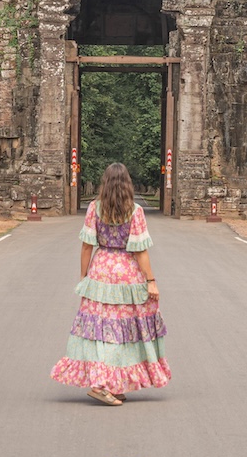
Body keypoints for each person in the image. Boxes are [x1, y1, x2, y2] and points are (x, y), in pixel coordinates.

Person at [50, 162, 170, 405]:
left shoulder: (94, 209)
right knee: (123, 329)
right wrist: (151, 281)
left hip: (101, 270)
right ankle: (102, 383)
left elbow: (86, 246)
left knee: (99, 328)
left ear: (104, 184)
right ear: (127, 185)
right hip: (127, 274)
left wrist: (84, 278)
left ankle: (110, 381)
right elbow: (140, 251)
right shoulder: (135, 211)